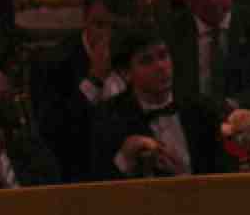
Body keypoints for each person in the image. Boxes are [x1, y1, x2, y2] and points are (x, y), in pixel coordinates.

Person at [32, 0, 139, 182]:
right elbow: (54, 136)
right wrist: (94, 80)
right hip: (78, 176)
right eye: (99, 25)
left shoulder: (139, 53)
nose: (106, 36)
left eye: (117, 27)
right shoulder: (52, 64)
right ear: (84, 17)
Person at [89, 22, 228, 179]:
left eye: (163, 55)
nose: (161, 66)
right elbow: (98, 184)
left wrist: (183, 177)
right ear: (126, 73)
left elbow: (223, 175)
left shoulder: (201, 109)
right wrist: (125, 158)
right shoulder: (110, 117)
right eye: (146, 61)